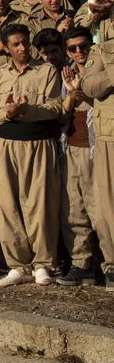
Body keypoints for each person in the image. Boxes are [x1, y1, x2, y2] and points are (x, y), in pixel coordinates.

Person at [0, 23, 63, 287]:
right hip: (7, 143)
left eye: (25, 42)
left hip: (37, 143)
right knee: (8, 204)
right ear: (5, 48)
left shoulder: (46, 71)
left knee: (39, 203)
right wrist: (7, 113)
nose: (22, 48)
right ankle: (18, 264)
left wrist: (27, 110)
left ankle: (43, 263)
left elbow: (55, 107)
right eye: (16, 44)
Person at [39, 27, 100, 287]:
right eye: (73, 48)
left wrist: (79, 93)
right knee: (73, 210)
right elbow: (62, 113)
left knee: (100, 211)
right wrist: (70, 95)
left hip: (96, 150)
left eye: (83, 46)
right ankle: (81, 263)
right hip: (71, 147)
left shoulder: (101, 69)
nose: (79, 52)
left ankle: (107, 264)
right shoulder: (66, 73)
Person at [79, 28, 114, 291]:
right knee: (108, 205)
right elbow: (90, 86)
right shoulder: (102, 50)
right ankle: (112, 264)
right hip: (109, 135)